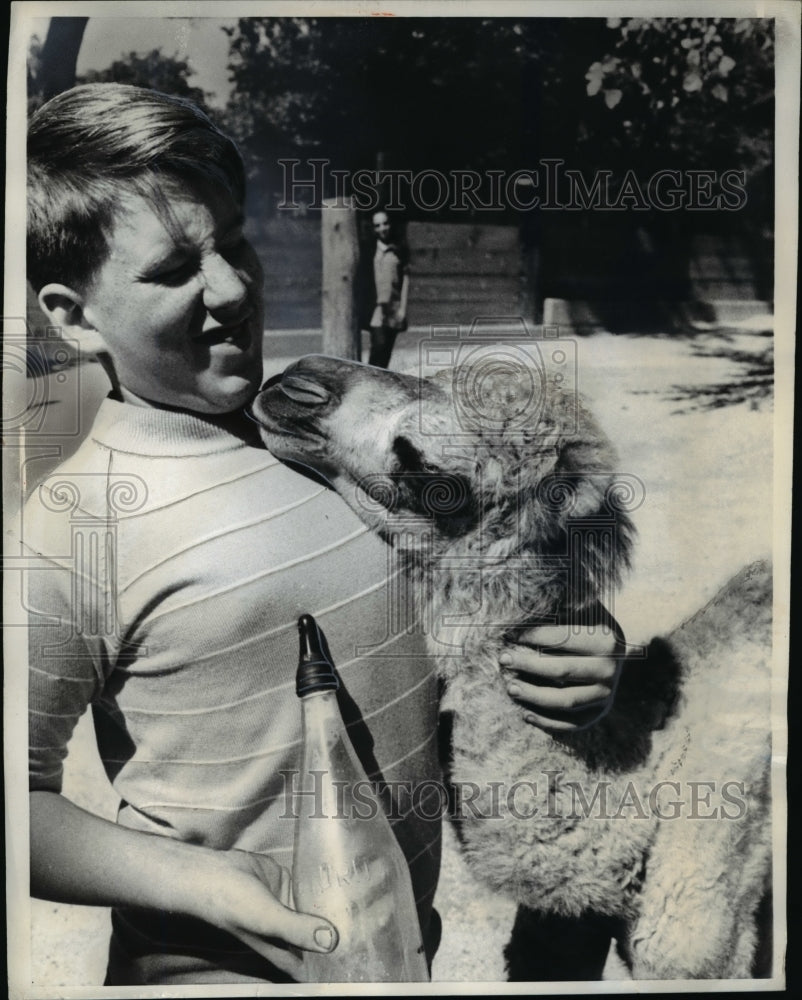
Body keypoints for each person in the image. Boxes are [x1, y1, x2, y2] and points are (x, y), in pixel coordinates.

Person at [25, 83, 624, 986]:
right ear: (73, 317)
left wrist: (583, 652)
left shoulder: (333, 433)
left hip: (397, 953)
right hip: (212, 968)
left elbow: (496, 566)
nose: (230, 286)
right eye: (173, 269)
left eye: (232, 243)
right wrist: (208, 883)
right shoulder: (72, 531)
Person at [367, 209, 409, 368]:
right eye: (377, 225)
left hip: (394, 308)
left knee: (385, 353)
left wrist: (403, 309)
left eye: (385, 223)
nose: (382, 228)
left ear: (390, 224)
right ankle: (368, 383)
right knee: (378, 346)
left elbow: (405, 279)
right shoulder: (369, 250)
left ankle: (378, 387)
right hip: (377, 308)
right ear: (373, 228)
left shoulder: (399, 250)